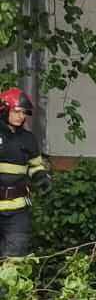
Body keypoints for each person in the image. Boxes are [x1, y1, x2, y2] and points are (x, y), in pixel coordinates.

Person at [1, 88, 52, 260]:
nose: (21, 116)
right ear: (4, 109)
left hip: (18, 211)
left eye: (23, 113)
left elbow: (35, 165)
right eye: (16, 111)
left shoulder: (28, 139)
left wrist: (41, 178)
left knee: (15, 260)